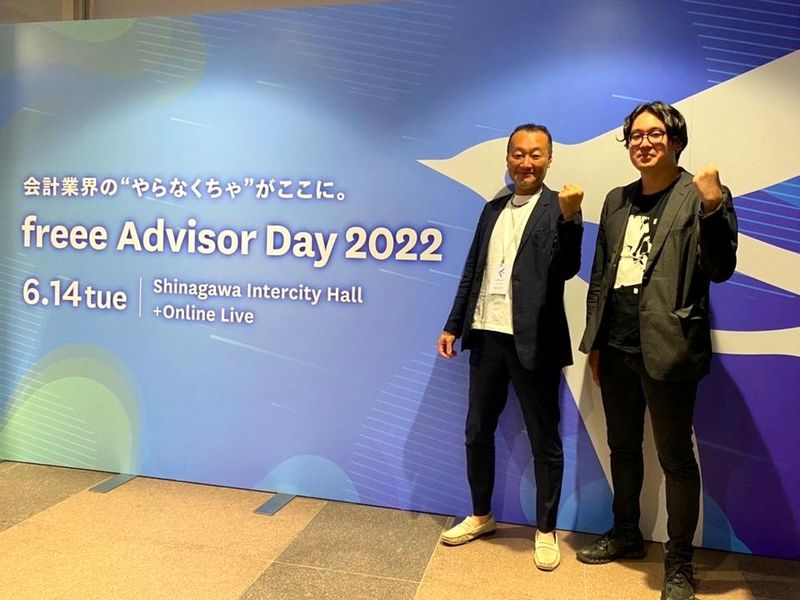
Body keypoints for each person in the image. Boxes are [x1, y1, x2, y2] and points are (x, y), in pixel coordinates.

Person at [577, 101, 738, 600]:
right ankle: (626, 533)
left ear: (676, 141)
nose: (643, 143)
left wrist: (712, 208)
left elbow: (720, 269)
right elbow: (601, 276)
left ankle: (679, 564)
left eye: (654, 134)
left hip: (670, 348)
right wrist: (595, 342)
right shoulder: (616, 200)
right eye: (635, 136)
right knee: (623, 447)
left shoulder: (701, 195)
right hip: (616, 345)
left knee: (675, 458)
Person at [437, 123, 583, 571]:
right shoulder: (493, 208)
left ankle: (546, 530)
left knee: (544, 439)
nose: (526, 162)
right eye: (518, 154)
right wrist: (454, 324)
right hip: (485, 336)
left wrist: (572, 219)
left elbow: (566, 268)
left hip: (534, 341)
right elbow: (473, 269)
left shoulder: (559, 206)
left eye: (535, 154)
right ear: (507, 159)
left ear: (550, 158)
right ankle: (482, 515)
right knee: (476, 431)